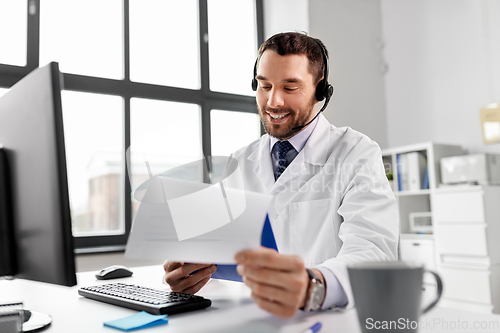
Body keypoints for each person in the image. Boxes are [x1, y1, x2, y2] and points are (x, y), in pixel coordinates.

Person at [163, 32, 399, 318]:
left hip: (328, 319)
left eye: (290, 87)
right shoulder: (240, 160)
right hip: (254, 318)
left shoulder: (357, 152)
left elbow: (373, 252)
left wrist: (313, 286)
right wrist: (189, 274)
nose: (273, 102)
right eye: (264, 86)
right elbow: (219, 249)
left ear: (320, 91)